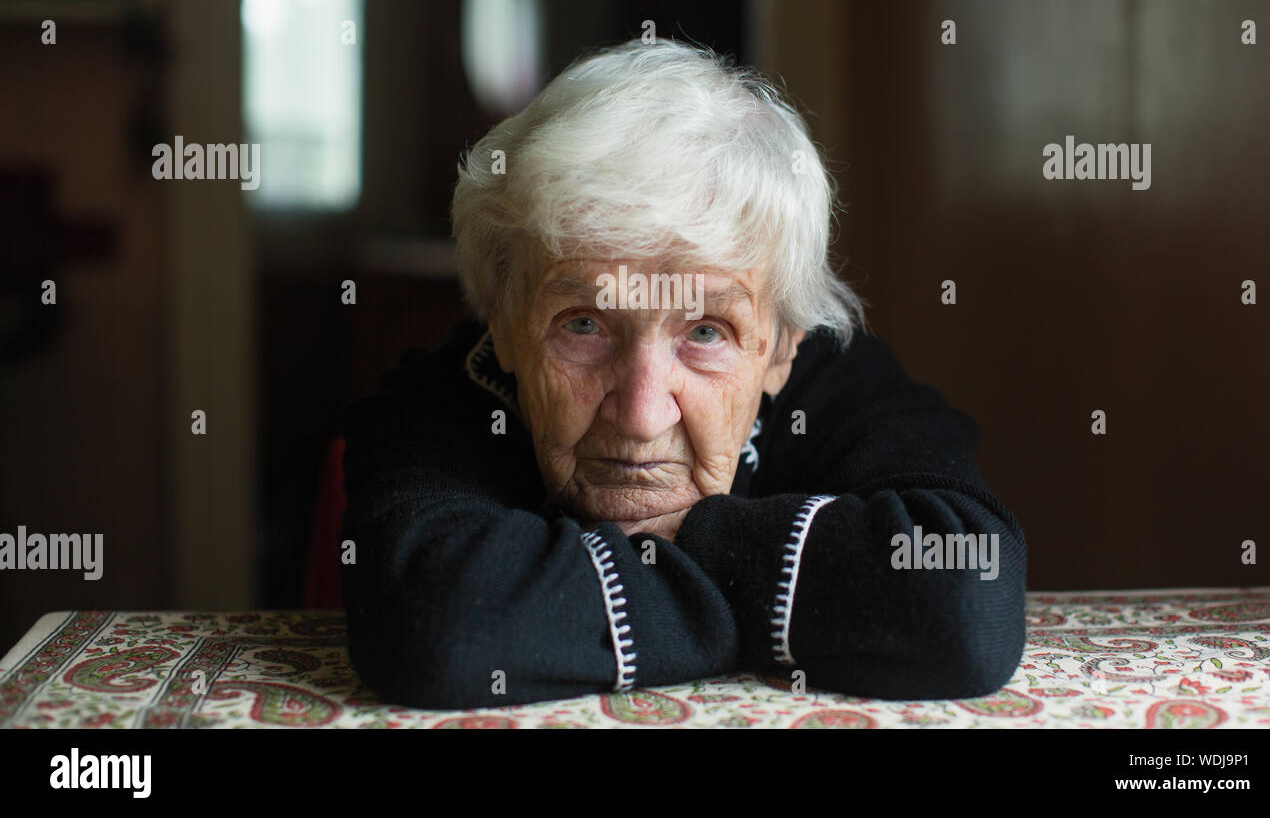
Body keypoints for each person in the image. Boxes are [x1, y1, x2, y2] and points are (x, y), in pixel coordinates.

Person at [340, 38, 1027, 709]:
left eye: (705, 332)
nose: (641, 414)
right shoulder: (445, 397)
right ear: (504, 321)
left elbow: (966, 587)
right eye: (584, 324)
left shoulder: (828, 382)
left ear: (783, 345)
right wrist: (800, 589)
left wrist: (599, 586)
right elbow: (444, 624)